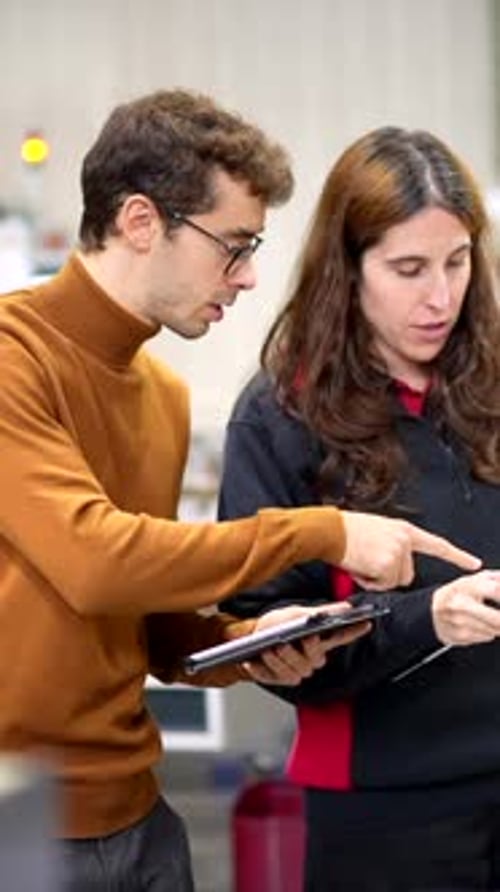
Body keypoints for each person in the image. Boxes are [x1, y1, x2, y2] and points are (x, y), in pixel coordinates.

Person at [0, 96, 476, 892]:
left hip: (140, 822)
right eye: (233, 246)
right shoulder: (15, 359)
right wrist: (323, 533)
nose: (250, 275)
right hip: (21, 825)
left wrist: (252, 643)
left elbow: (154, 631)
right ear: (142, 222)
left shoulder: (161, 393)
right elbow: (94, 561)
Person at [218, 126, 500, 891]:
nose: (440, 296)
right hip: (387, 814)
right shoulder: (280, 417)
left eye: (457, 261)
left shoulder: (489, 387)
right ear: (349, 269)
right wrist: (424, 618)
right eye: (408, 269)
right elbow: (267, 646)